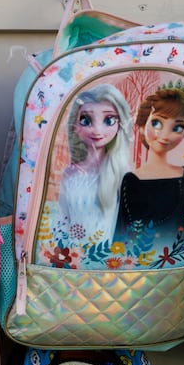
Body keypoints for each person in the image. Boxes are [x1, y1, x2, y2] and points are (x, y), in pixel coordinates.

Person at [49, 84, 132, 257]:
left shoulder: (124, 174)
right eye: (86, 120)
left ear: (121, 124)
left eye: (109, 120)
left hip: (112, 261)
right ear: (75, 125)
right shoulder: (70, 174)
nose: (97, 130)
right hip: (73, 260)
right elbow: (62, 221)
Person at [118, 83, 184, 253]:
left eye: (177, 127)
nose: (165, 135)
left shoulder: (183, 175)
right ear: (141, 126)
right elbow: (122, 231)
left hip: (177, 262)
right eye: (156, 123)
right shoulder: (132, 180)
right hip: (136, 262)